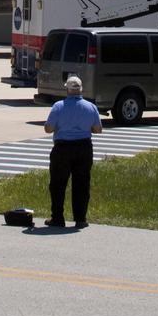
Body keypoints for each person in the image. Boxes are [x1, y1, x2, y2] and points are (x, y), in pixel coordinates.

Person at [43, 75, 102, 229]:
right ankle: (80, 219)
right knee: (81, 184)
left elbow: (48, 128)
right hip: (84, 147)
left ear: (67, 89)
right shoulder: (91, 107)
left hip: (62, 148)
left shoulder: (58, 106)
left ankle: (57, 218)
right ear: (81, 89)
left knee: (58, 184)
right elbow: (98, 129)